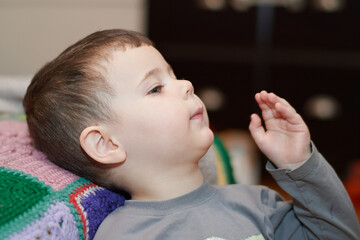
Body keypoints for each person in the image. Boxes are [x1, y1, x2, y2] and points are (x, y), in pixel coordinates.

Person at [23, 29, 360, 240]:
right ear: (107, 144)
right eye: (156, 88)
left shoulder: (259, 204)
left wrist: (300, 164)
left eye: (175, 76)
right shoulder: (124, 235)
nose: (186, 85)